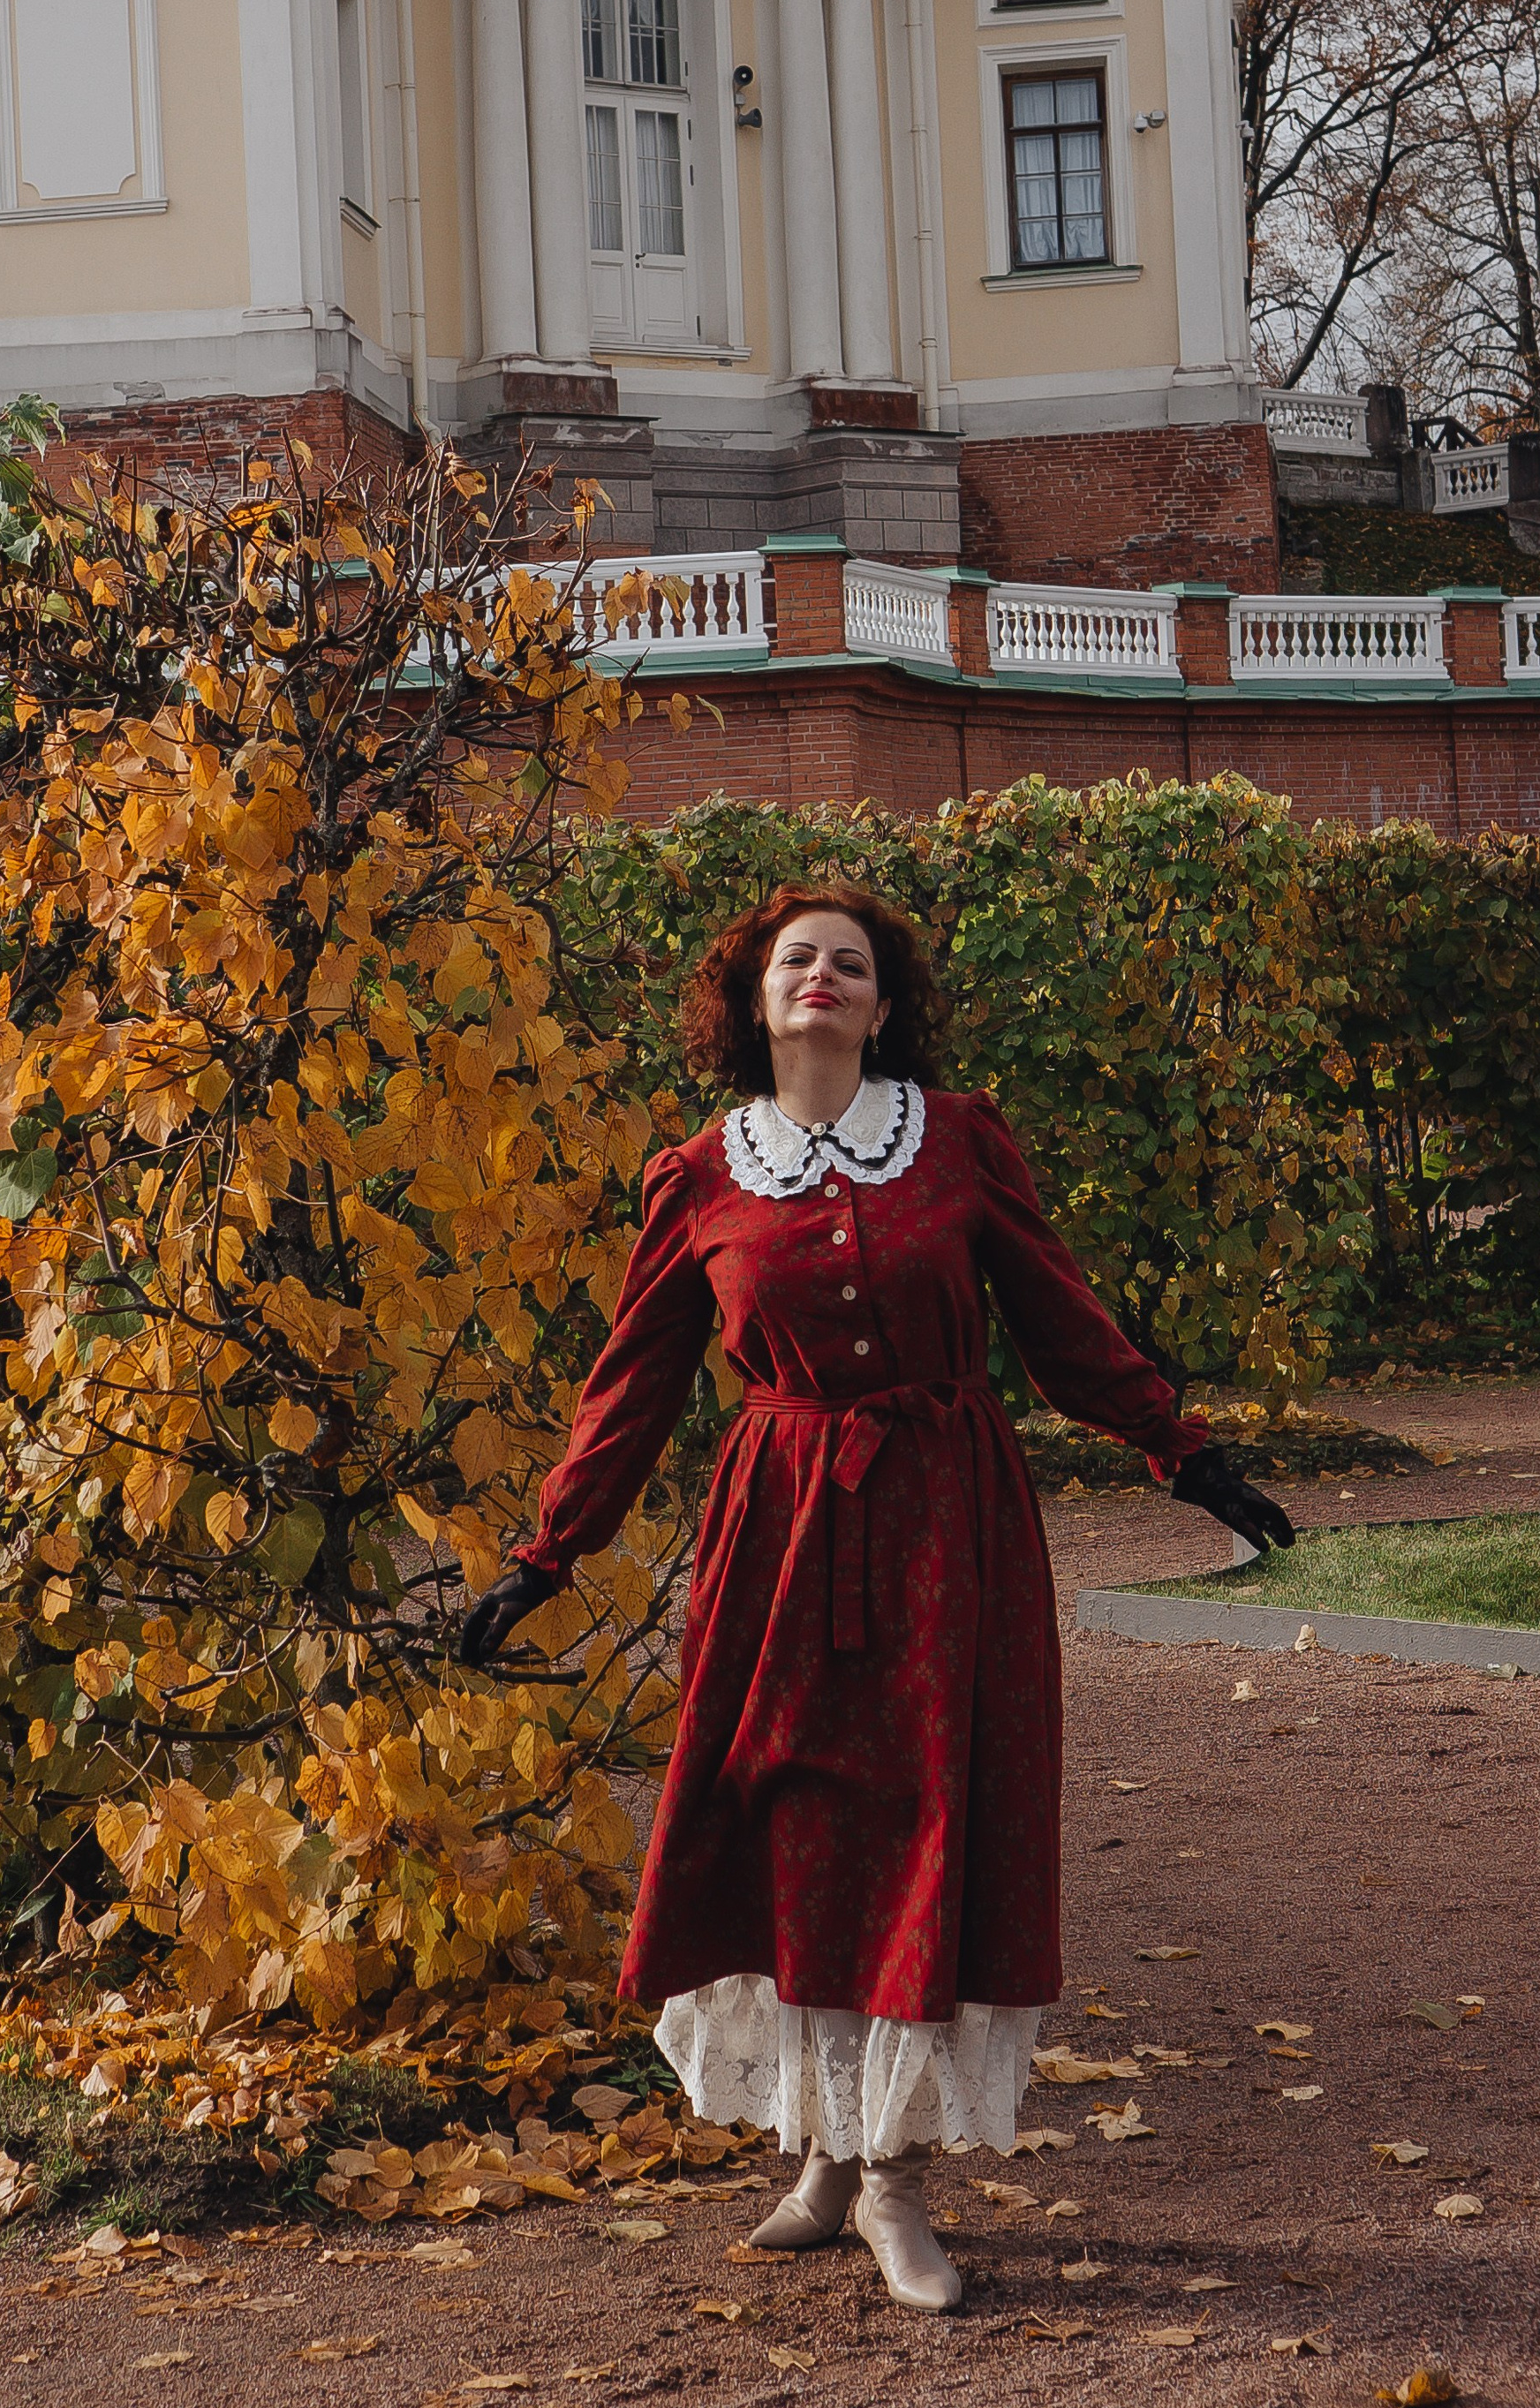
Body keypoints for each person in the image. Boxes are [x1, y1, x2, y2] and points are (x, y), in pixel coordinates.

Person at [461, 884, 1289, 2312]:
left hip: (944, 1527)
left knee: (925, 1828)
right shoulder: (700, 1177)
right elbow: (635, 1383)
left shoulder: (956, 1143)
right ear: (755, 999)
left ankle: (898, 2179)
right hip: (778, 1535)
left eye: (852, 964)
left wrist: (1182, 1449)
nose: (824, 979)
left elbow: (1060, 1316)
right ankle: (820, 2166)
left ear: (884, 1004)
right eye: (798, 960)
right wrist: (552, 1550)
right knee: (790, 1823)